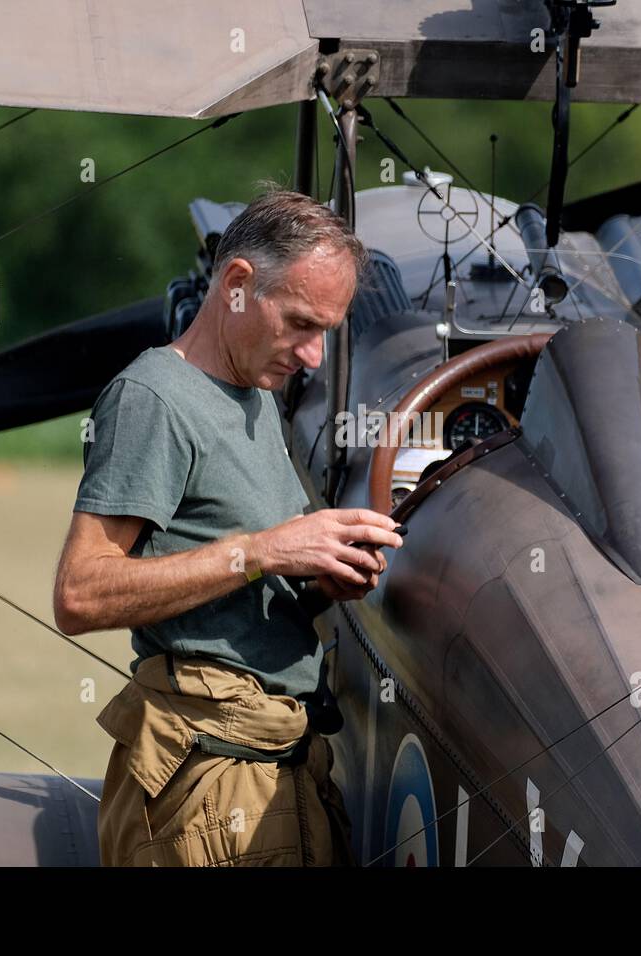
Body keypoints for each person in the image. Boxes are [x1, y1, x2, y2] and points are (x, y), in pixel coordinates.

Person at [52, 185, 402, 866]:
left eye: (325, 333)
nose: (312, 357)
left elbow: (247, 580)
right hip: (208, 783)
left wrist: (326, 574)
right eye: (301, 323)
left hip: (283, 765)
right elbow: (81, 594)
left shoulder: (253, 397)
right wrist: (263, 550)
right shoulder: (155, 396)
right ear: (238, 284)